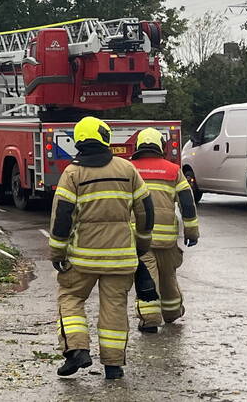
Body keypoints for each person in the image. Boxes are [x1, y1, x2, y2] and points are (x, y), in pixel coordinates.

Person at [48, 116, 154, 381]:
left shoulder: (72, 173)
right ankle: (113, 366)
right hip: (121, 258)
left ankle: (77, 349)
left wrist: (58, 253)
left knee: (70, 297)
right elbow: (146, 210)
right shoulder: (127, 169)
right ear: (105, 137)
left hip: (83, 258)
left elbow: (62, 216)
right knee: (115, 308)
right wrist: (141, 243)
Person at [129, 127, 200, 332]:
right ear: (161, 146)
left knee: (147, 278)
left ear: (139, 146)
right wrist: (191, 232)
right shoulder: (173, 170)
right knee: (168, 276)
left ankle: (150, 320)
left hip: (140, 238)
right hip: (167, 239)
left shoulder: (130, 169)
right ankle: (171, 313)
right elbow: (187, 204)